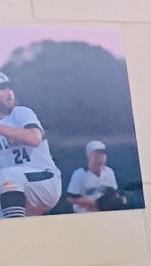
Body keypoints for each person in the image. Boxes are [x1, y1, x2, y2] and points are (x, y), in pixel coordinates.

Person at [0, 72, 63, 219]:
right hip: (15, 189)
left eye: (9, 87)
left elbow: (34, 138)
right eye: (2, 89)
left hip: (45, 179)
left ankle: (17, 231)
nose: (9, 92)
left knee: (7, 176)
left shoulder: (20, 113)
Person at [67, 141, 122, 212]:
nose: (100, 157)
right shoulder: (79, 174)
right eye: (96, 154)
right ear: (89, 156)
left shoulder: (109, 172)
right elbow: (71, 198)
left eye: (102, 154)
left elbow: (114, 193)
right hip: (84, 215)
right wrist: (95, 204)